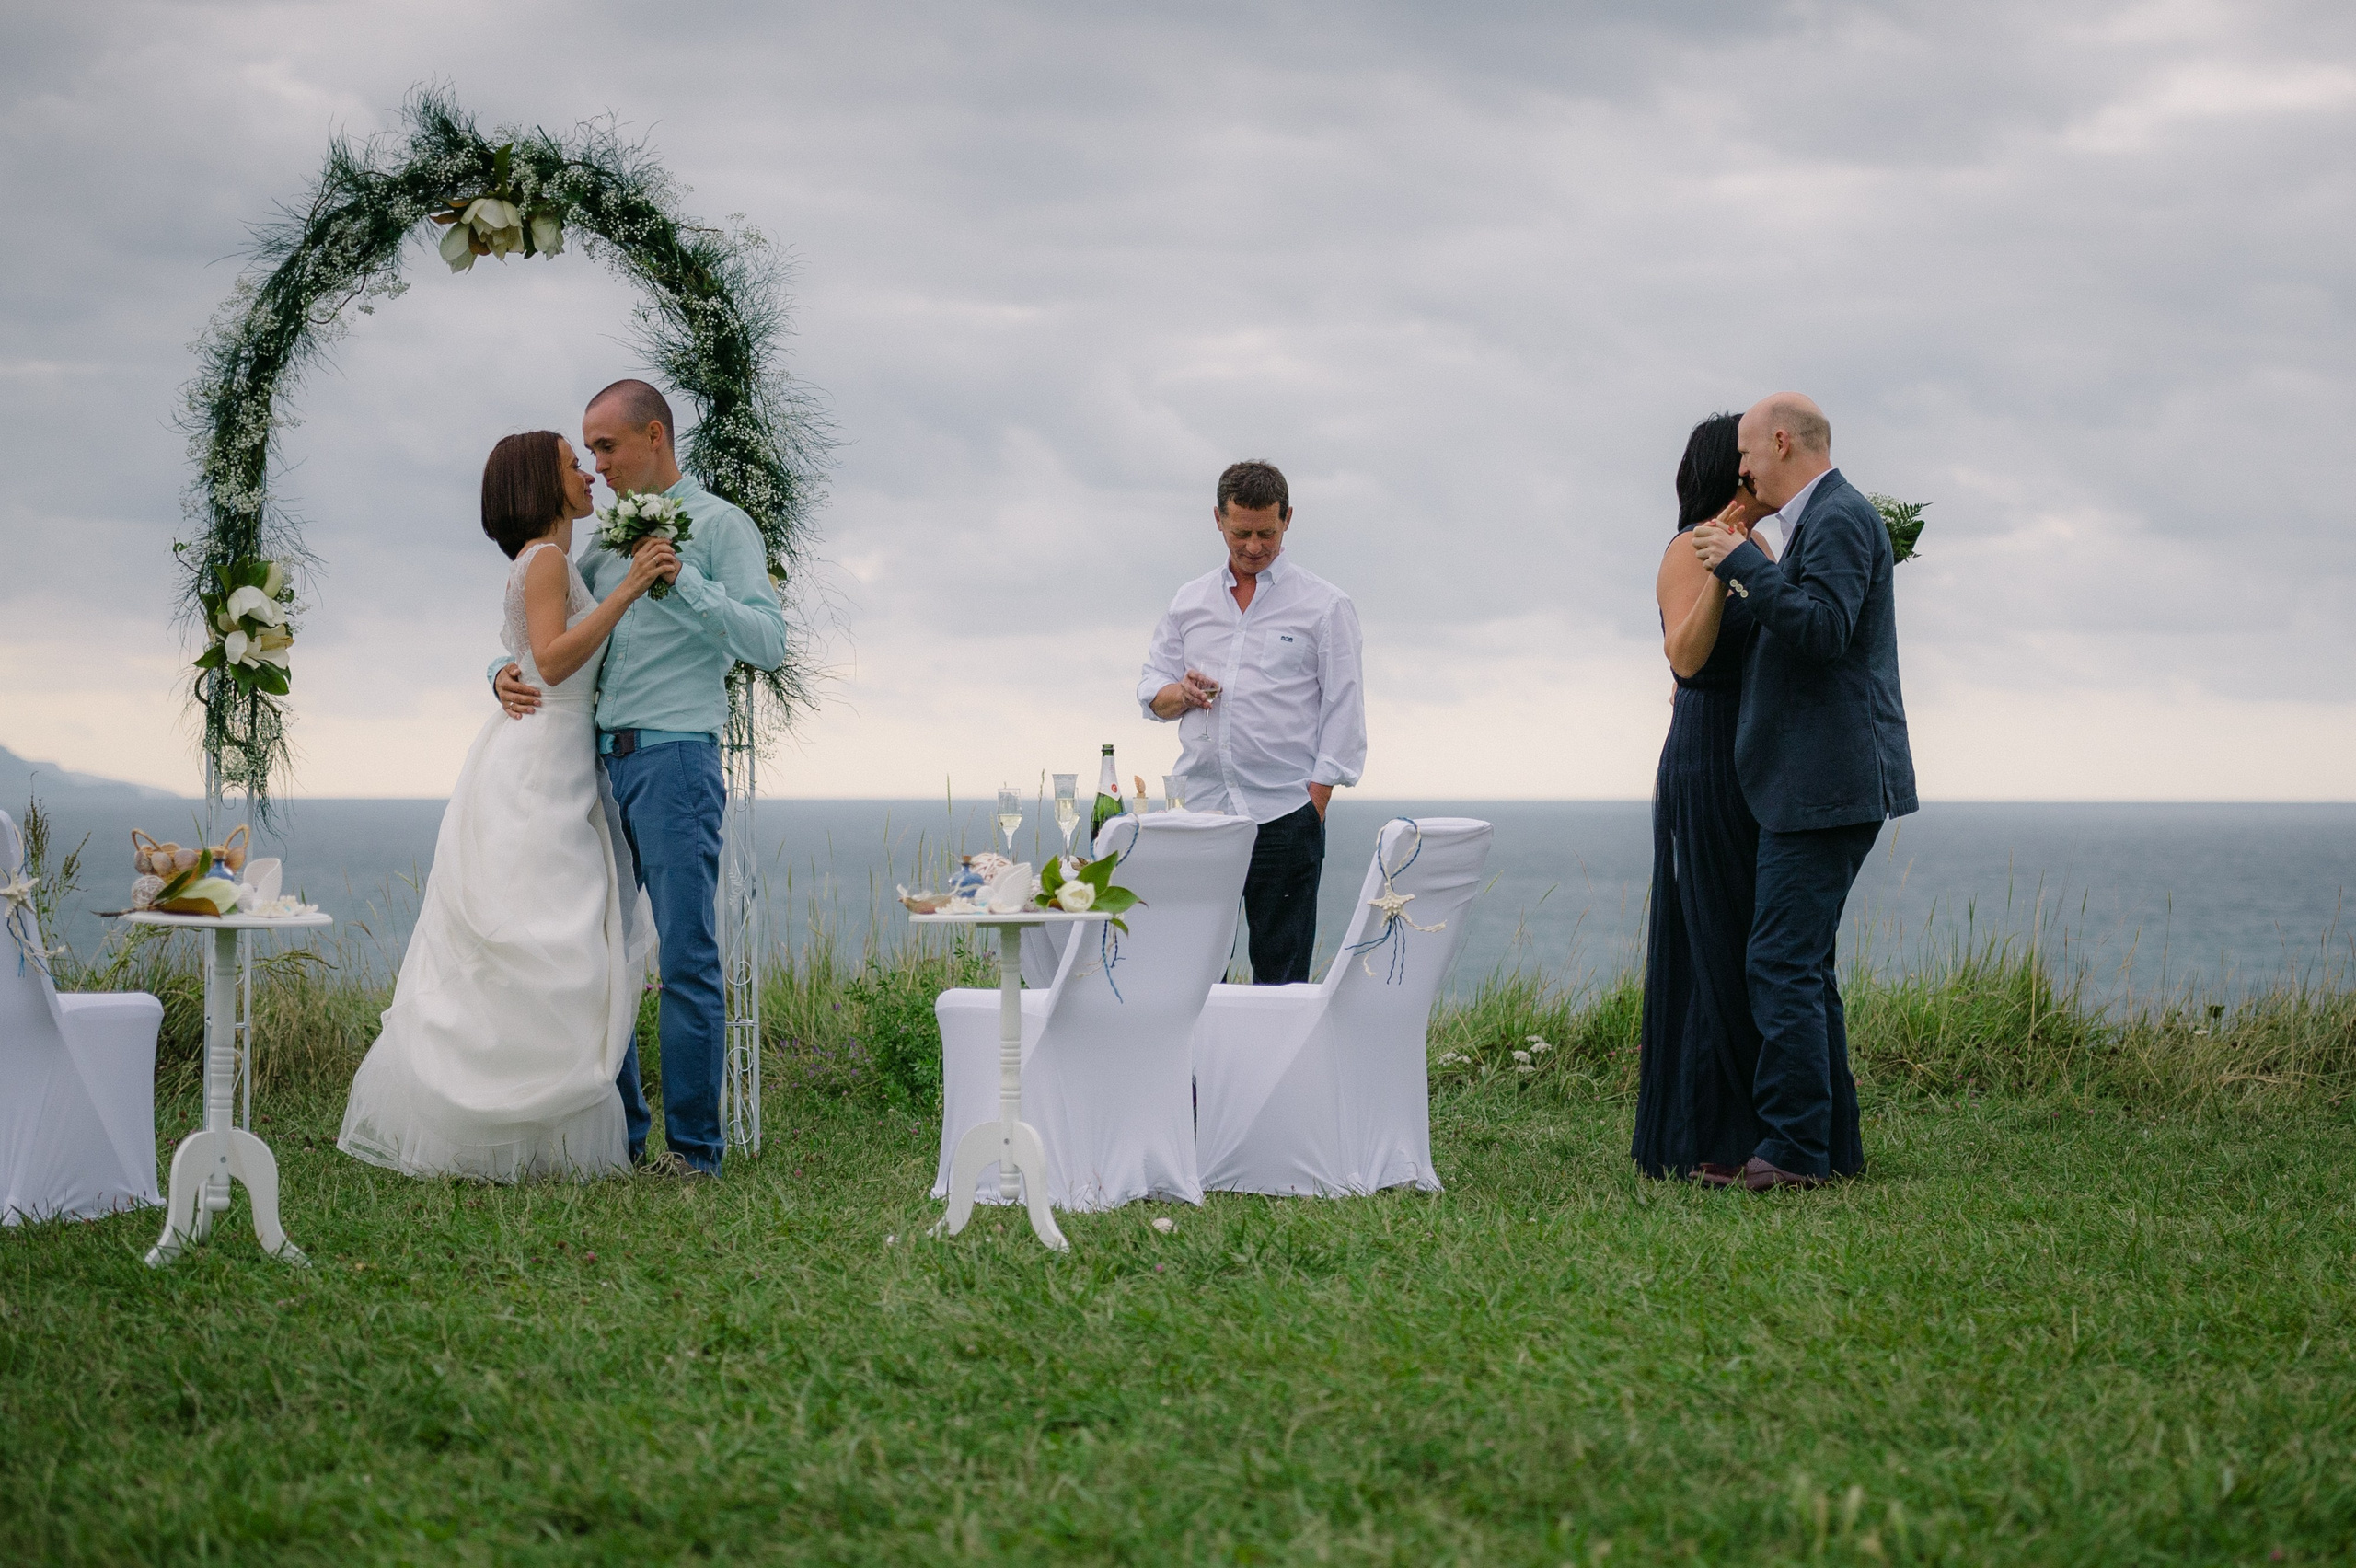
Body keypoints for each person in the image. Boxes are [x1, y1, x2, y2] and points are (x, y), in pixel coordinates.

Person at [339, 432, 671, 1181]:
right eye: (571, 464)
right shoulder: (548, 559)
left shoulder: (543, 561)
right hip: (539, 768)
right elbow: (551, 659)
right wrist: (629, 587)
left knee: (546, 939)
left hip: (545, 759)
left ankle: (532, 1120)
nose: (588, 474)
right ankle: (528, 1124)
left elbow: (522, 655)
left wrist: (501, 670)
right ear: (541, 484)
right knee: (550, 937)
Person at [491, 380, 788, 1179]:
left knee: (685, 955)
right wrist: (498, 673)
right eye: (586, 453)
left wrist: (684, 579)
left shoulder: (723, 527)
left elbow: (768, 642)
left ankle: (693, 1151)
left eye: (607, 447)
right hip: (592, 768)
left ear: (654, 436)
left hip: (674, 760)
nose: (597, 465)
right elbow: (549, 629)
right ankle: (618, 1140)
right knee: (598, 956)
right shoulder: (597, 546)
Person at [1690, 393, 1917, 1191]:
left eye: (1748, 453)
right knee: (1803, 966)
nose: (1742, 468)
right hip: (1817, 778)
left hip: (1826, 781)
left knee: (1780, 963)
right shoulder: (1825, 518)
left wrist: (1742, 563)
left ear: (1782, 441)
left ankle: (1790, 1153)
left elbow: (1823, 631)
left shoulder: (1841, 517)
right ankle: (1820, 1150)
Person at [1138, 459, 1366, 985]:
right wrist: (1182, 694)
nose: (1255, 547)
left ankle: (1276, 1071)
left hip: (1287, 812)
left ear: (1288, 519)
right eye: (1242, 533)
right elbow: (1152, 689)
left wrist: (1317, 800)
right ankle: (1199, 1071)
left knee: (1281, 980)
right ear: (1218, 520)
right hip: (1199, 815)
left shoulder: (1326, 606)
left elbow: (1345, 708)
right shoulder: (1188, 601)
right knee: (1192, 973)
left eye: (1267, 532)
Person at [1632, 412, 1777, 1182]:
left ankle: (1763, 1128)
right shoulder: (1693, 546)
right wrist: (1725, 569)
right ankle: (1703, 1135)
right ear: (1732, 473)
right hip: (1706, 753)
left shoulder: (1758, 545)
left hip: (1752, 753)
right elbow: (1685, 658)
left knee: (1748, 937)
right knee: (1710, 937)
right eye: (1751, 461)